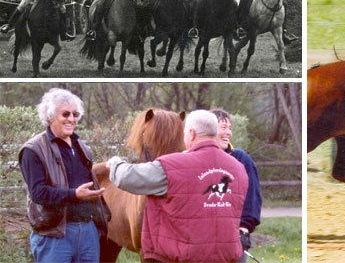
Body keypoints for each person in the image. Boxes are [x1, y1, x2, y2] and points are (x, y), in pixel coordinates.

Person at [106, 110, 249, 263]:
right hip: (227, 256)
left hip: (188, 257)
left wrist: (114, 162)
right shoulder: (239, 168)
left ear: (192, 134)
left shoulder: (174, 167)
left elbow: (127, 177)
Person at [18, 88, 109, 263]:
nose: (71, 119)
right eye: (65, 114)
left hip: (88, 231)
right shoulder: (33, 149)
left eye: (75, 114)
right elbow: (38, 193)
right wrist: (74, 194)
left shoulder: (82, 147)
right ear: (51, 116)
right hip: (55, 234)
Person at [211, 109, 262, 263]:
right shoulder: (194, 160)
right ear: (210, 130)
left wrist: (245, 228)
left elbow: (252, 196)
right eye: (223, 127)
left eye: (230, 128)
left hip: (233, 237)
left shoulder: (241, 159)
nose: (228, 133)